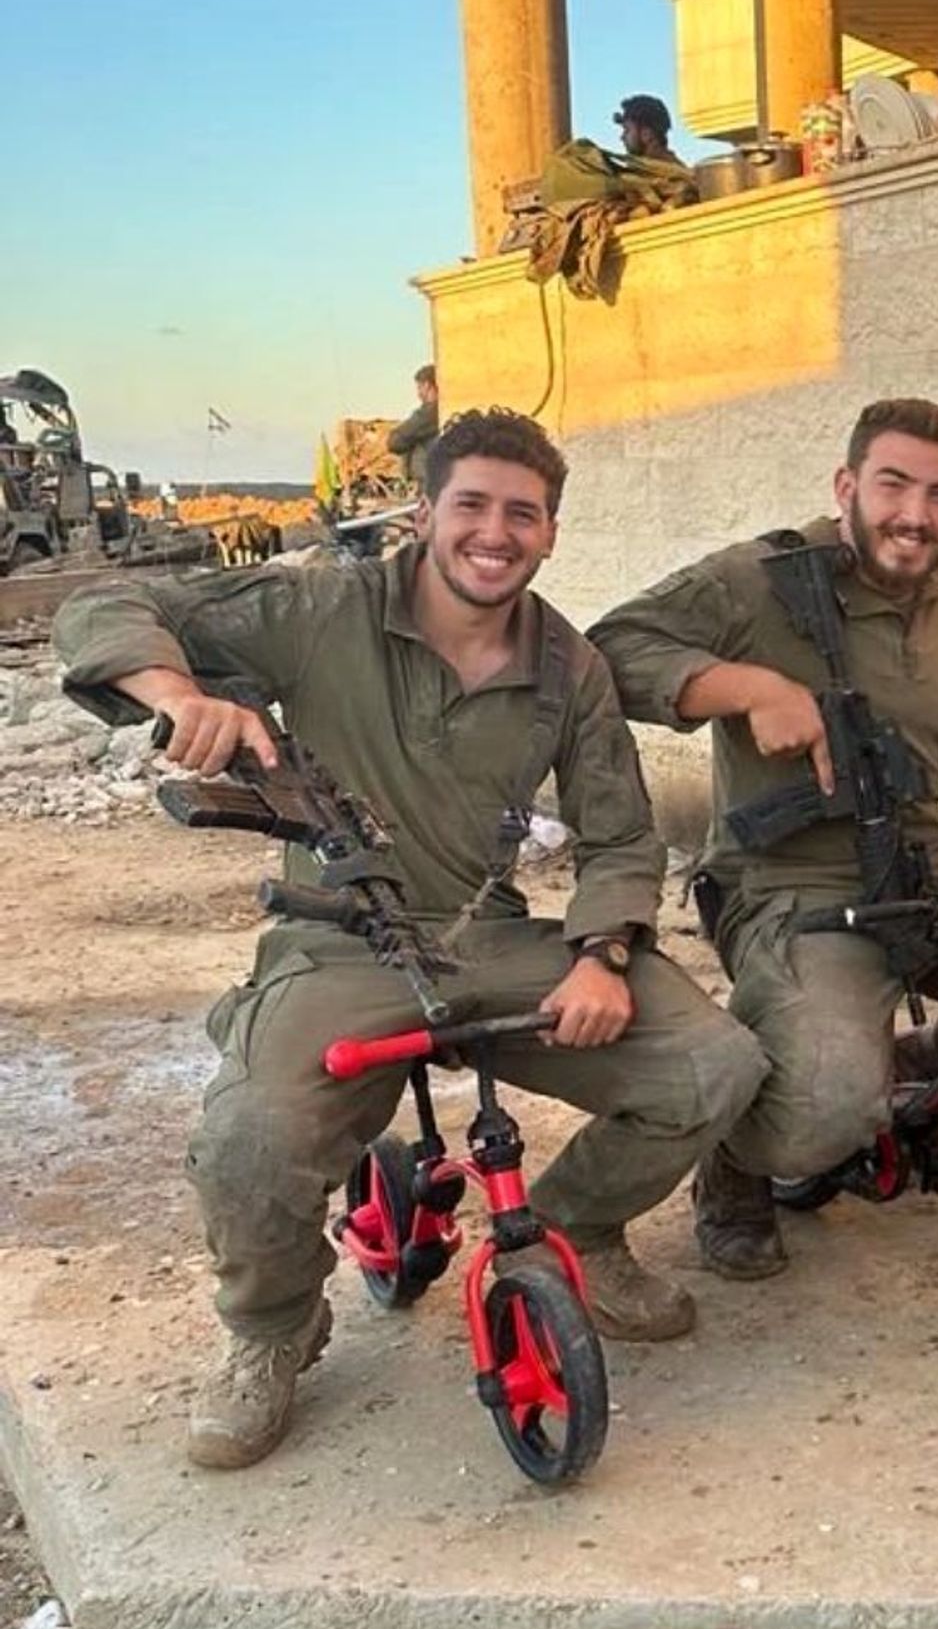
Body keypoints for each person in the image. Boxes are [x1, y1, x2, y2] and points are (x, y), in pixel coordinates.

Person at [53, 407, 767, 1470]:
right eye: (470, 503)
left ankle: (574, 1229)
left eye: (521, 513)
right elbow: (108, 599)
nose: (495, 531)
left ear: (550, 531)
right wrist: (178, 692)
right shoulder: (318, 603)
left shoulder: (569, 666)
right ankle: (273, 1328)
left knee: (717, 1063)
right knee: (250, 1137)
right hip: (338, 941)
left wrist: (602, 951)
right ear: (424, 509)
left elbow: (619, 834)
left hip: (488, 934)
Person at [588, 397, 938, 1280]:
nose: (916, 515)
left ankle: (916, 1081)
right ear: (847, 484)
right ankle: (736, 1165)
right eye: (894, 484)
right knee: (821, 1114)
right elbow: (611, 650)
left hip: (925, 870)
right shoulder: (762, 579)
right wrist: (744, 685)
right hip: (794, 885)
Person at [386, 364, 440, 487]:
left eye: (419, 387)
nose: (418, 393)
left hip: (430, 481)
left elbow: (394, 442)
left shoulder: (429, 413)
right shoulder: (440, 410)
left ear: (427, 386)